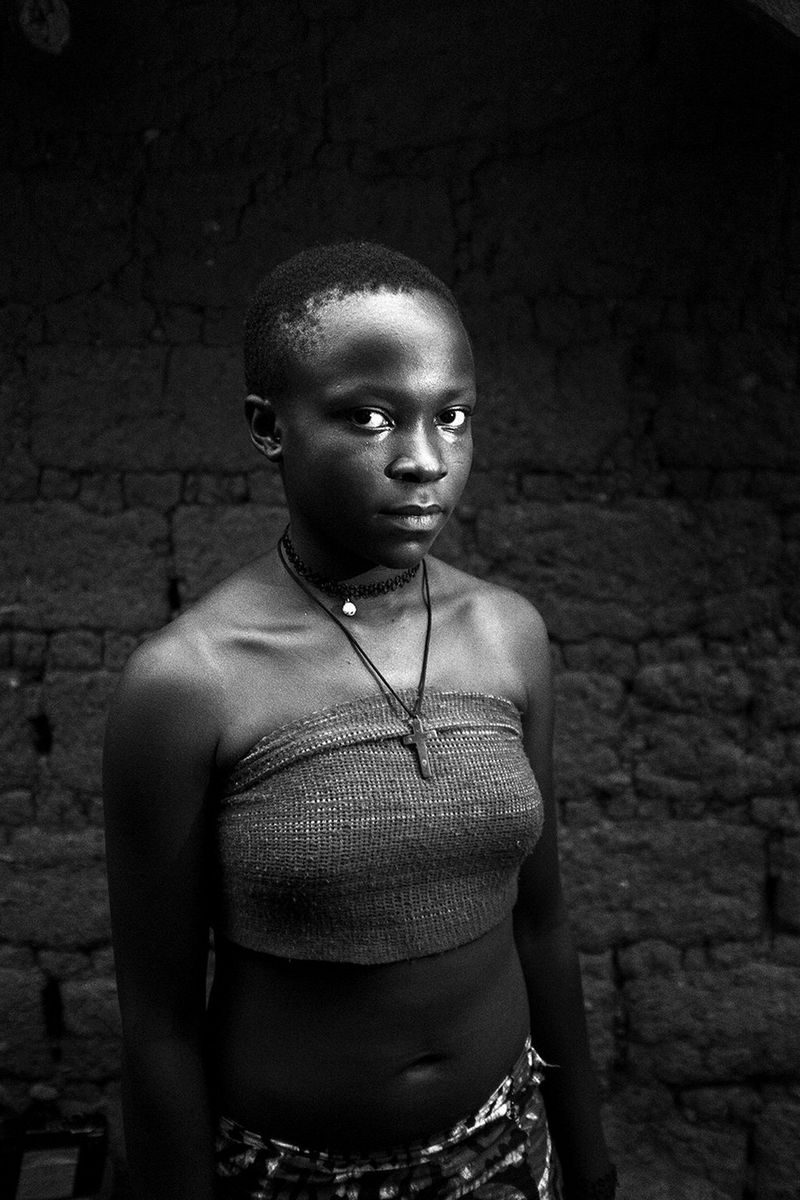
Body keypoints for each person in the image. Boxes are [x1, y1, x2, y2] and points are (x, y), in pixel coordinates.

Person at [103, 241, 616, 1200]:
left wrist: (586, 1157)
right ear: (270, 426)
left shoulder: (507, 635)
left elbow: (542, 926)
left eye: (451, 418)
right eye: (370, 416)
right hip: (288, 1174)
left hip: (507, 1148)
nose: (423, 459)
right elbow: (160, 1025)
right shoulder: (188, 683)